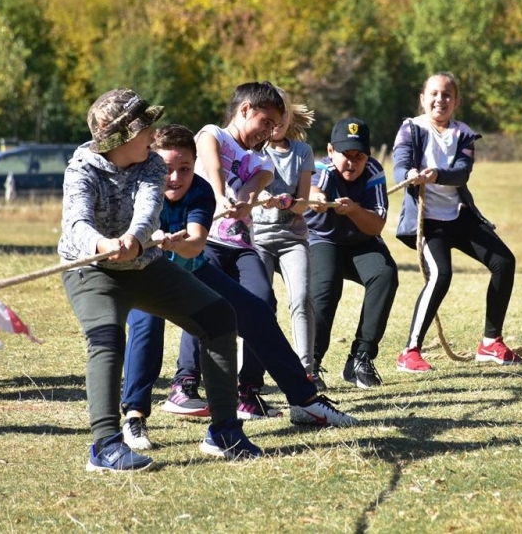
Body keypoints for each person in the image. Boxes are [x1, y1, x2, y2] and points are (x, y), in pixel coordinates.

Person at [59, 88, 261, 472]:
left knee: (219, 317)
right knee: (107, 338)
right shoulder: (81, 169)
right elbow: (76, 223)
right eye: (143, 127)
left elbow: (148, 209)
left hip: (143, 264)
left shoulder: (151, 163)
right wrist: (104, 243)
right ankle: (105, 446)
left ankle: (224, 433)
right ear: (117, 136)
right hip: (92, 269)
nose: (152, 133)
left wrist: (133, 241)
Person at [121, 124, 356, 450]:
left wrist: (175, 244)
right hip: (144, 272)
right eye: (167, 169)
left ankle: (305, 400)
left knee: (256, 311)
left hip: (190, 268)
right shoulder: (140, 188)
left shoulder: (200, 191)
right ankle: (134, 417)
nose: (175, 178)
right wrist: (148, 239)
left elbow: (195, 243)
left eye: (184, 169)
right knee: (146, 326)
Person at [162, 81, 289, 419]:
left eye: (274, 126)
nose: (269, 131)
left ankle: (248, 391)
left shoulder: (264, 163)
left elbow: (250, 190)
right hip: (206, 239)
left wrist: (243, 202)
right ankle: (184, 385)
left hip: (242, 245)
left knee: (263, 302)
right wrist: (220, 196)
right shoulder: (212, 134)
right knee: (202, 305)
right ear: (245, 109)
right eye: (266, 121)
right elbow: (212, 165)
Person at [392, 71, 522, 373]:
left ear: (457, 102)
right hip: (428, 221)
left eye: (447, 95)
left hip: (459, 216)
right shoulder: (411, 129)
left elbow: (462, 172)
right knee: (441, 275)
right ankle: (409, 352)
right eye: (434, 94)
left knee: (504, 262)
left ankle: (491, 343)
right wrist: (410, 176)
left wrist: (436, 174)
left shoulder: (464, 134)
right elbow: (400, 167)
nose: (440, 100)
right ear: (423, 98)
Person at [305, 117, 399, 389]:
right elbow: (314, 186)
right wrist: (317, 197)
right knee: (326, 285)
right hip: (322, 240)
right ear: (331, 150)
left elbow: (377, 225)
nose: (352, 162)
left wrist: (355, 210)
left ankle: (361, 358)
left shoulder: (373, 172)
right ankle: (311, 364)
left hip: (360, 241)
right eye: (346, 154)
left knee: (385, 275)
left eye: (359, 156)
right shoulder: (323, 168)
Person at [251, 87, 318, 385]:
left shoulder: (302, 152)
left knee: (302, 299)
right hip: (257, 238)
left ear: (290, 117)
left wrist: (292, 203)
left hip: (293, 236)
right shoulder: (252, 149)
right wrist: (261, 195)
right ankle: (254, 373)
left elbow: (304, 201)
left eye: (283, 113)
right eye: (271, 114)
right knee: (259, 304)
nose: (277, 121)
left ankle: (307, 371)